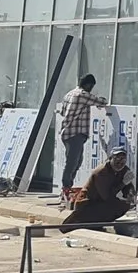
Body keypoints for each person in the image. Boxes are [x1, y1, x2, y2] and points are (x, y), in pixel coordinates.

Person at [54, 73, 105, 201]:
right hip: (75, 133)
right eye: (91, 86)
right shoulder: (82, 95)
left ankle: (67, 187)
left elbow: (63, 111)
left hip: (67, 132)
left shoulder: (69, 94)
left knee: (76, 161)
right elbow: (102, 102)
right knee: (72, 163)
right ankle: (66, 188)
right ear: (88, 85)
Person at [60, 148, 135, 232]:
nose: (120, 162)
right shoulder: (101, 172)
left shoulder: (124, 169)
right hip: (89, 203)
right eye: (117, 158)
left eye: (123, 159)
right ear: (110, 158)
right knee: (116, 206)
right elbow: (107, 196)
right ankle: (85, 223)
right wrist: (123, 183)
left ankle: (97, 224)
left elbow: (128, 186)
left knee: (124, 205)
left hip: (101, 202)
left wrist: (130, 194)